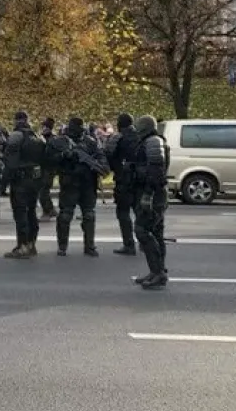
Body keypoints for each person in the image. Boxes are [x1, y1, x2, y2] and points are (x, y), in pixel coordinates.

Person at [48, 117, 109, 257]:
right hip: (70, 182)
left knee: (89, 215)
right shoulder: (61, 141)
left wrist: (98, 166)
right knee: (65, 216)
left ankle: (89, 246)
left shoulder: (91, 142)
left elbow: (101, 158)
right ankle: (62, 246)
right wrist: (65, 155)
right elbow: (49, 159)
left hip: (87, 183)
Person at [131, 115, 170, 289]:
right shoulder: (150, 141)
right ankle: (156, 271)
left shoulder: (153, 141)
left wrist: (148, 194)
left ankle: (158, 272)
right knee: (156, 232)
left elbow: (156, 171)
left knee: (142, 230)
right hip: (154, 192)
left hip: (153, 193)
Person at [3, 111, 47, 259]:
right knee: (32, 212)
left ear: (16, 121)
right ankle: (31, 244)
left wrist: (3, 184)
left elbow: (10, 162)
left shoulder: (16, 136)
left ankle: (22, 246)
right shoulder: (37, 137)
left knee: (20, 213)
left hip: (20, 179)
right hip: (35, 179)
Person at [103, 113, 141, 256]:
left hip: (123, 181)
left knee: (123, 213)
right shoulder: (141, 137)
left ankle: (129, 244)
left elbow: (109, 157)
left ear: (119, 125)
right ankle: (144, 242)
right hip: (139, 181)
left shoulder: (118, 139)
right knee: (140, 212)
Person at [37, 117, 57, 220]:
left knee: (43, 191)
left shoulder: (48, 139)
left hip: (47, 168)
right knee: (44, 190)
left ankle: (47, 211)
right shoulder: (51, 138)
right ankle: (51, 209)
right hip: (48, 168)